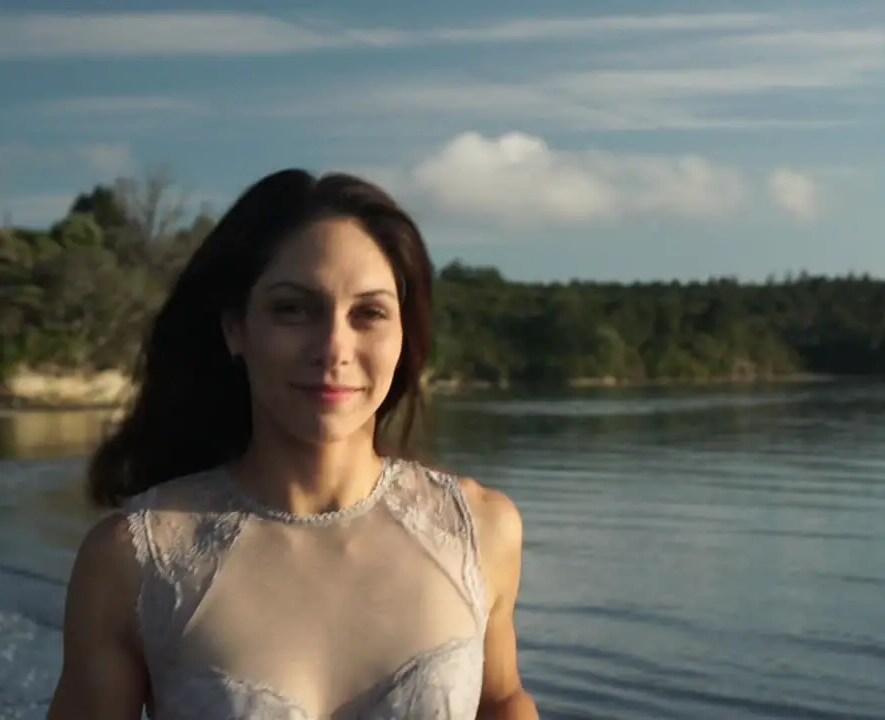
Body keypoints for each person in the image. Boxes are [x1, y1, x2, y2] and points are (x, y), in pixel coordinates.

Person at [46, 169, 537, 719]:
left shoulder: (481, 533)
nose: (333, 348)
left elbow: (501, 699)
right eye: (293, 309)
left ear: (405, 334)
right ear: (235, 327)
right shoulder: (133, 564)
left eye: (369, 313)